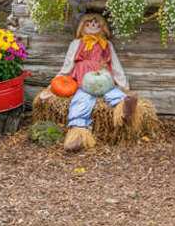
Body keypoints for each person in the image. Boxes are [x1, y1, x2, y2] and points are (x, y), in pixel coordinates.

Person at [58, 13, 137, 151]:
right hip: (84, 81)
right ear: (82, 26)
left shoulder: (106, 44)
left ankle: (124, 109)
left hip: (103, 76)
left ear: (102, 27)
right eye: (89, 23)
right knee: (81, 99)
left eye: (96, 23)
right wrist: (57, 80)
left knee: (112, 92)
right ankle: (78, 137)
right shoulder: (76, 43)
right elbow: (68, 64)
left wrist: (124, 85)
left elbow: (115, 65)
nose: (93, 25)